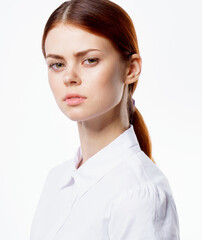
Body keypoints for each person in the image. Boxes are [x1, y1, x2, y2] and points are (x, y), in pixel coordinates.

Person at [30, 0, 180, 239]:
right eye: (57, 64)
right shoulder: (56, 179)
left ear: (131, 69)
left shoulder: (140, 194)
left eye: (89, 60)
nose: (69, 77)